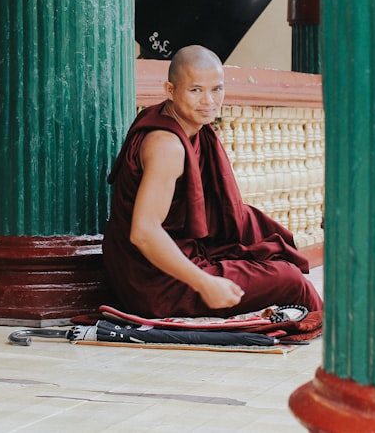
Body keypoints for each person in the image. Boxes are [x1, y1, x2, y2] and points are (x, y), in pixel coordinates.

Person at [102, 44, 322, 318]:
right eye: (195, 90)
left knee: (268, 241)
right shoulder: (167, 146)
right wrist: (204, 283)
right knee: (290, 280)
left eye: (216, 89)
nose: (209, 101)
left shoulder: (189, 128)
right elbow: (144, 232)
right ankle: (339, 335)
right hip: (154, 282)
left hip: (180, 255)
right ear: (170, 90)